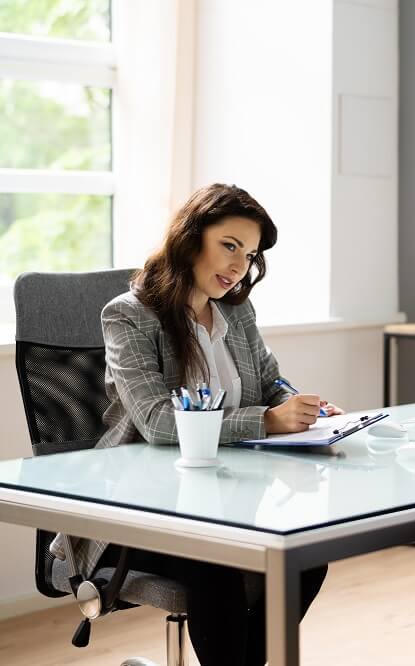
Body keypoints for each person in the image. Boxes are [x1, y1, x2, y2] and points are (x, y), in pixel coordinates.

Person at [50, 183, 336, 665]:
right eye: (229, 245)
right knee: (218, 564)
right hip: (139, 510)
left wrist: (302, 409)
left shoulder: (236, 312)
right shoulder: (128, 315)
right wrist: (267, 421)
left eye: (248, 255)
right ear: (190, 237)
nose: (238, 266)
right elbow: (160, 422)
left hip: (226, 499)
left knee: (304, 555)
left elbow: (270, 382)